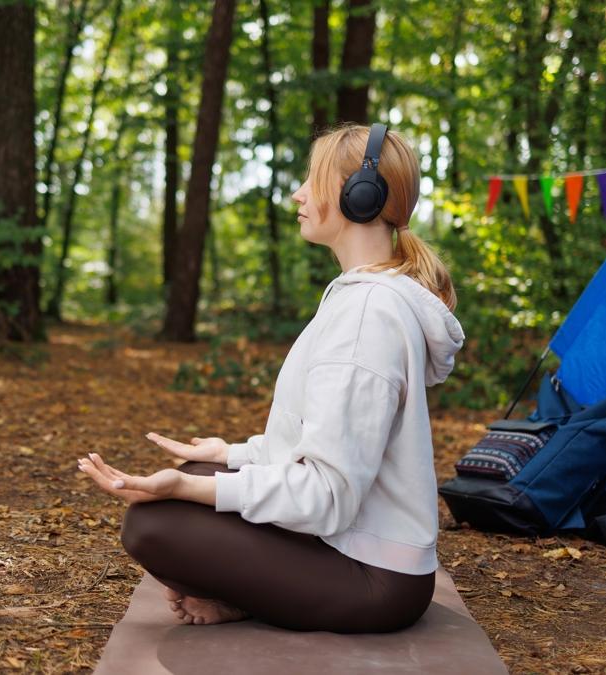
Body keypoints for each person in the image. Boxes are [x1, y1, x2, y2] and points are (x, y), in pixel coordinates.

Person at [77, 122, 464, 634]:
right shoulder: (358, 296)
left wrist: (191, 491)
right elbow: (321, 444)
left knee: (154, 523)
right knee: (195, 473)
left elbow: (327, 494)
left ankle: (250, 597)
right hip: (348, 545)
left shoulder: (368, 315)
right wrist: (229, 456)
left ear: (359, 196)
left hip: (377, 579)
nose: (298, 194)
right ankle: (248, 595)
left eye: (312, 180)